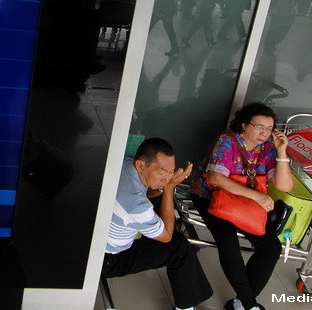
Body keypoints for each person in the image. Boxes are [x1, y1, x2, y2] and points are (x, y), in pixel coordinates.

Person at [189, 103, 294, 310]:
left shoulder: (268, 149)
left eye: (269, 129)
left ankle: (240, 303)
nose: (264, 133)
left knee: (271, 248)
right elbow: (216, 179)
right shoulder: (227, 141)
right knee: (228, 241)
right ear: (244, 125)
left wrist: (282, 153)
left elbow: (285, 186)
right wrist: (257, 196)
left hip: (246, 203)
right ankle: (248, 304)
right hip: (211, 197)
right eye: (259, 127)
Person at [104, 138, 213, 310]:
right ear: (141, 165)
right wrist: (169, 188)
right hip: (108, 258)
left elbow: (148, 192)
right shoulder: (136, 205)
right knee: (178, 246)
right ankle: (185, 307)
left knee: (160, 198)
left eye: (171, 171)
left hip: (97, 233)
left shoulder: (126, 164)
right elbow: (166, 237)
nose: (167, 178)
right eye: (162, 172)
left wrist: (164, 186)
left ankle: (158, 226)